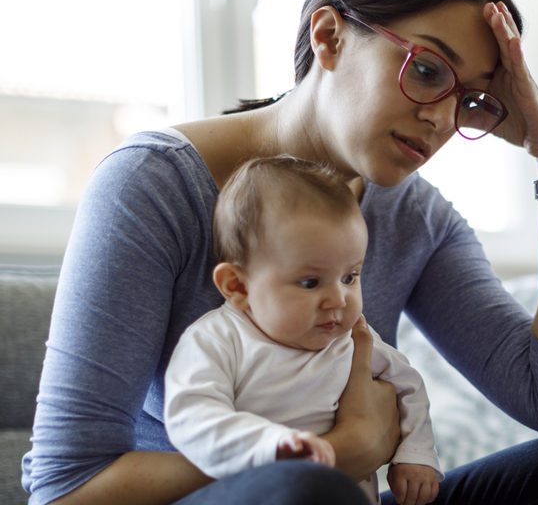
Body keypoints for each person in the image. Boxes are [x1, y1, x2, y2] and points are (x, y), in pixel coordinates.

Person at [22, 0, 538, 505]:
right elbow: (64, 486)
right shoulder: (152, 186)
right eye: (429, 70)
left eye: (470, 99)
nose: (441, 120)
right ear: (328, 35)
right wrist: (337, 449)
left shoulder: (414, 217)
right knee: (303, 492)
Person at [163, 156, 442, 505]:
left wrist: (416, 454)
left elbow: (409, 386)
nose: (338, 299)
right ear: (237, 286)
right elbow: (193, 417)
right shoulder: (218, 340)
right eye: (311, 282)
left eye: (350, 277)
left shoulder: (352, 339)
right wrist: (269, 446)